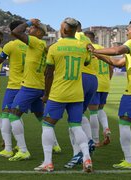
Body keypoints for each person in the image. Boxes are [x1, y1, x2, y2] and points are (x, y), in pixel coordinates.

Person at [34, 17, 92, 172]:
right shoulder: (83, 46)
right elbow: (86, 62)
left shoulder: (54, 48)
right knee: (76, 126)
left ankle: (48, 162)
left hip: (58, 94)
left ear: (64, 30)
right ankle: (86, 158)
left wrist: (46, 94)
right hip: (77, 94)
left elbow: (48, 74)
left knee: (47, 125)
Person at [4, 18, 60, 161]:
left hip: (29, 86)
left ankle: (23, 150)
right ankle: (55, 144)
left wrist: (29, 22)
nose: (29, 30)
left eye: (33, 28)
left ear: (40, 32)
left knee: (13, 115)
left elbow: (15, 31)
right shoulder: (43, 46)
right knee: (42, 118)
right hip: (39, 87)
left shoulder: (36, 42)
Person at [88, 20, 131, 169]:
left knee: (124, 122)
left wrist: (93, 50)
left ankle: (129, 160)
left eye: (128, 30)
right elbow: (117, 62)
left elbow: (116, 51)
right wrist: (97, 54)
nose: (127, 32)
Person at [0, 20, 28, 158]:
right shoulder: (31, 44)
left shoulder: (10, 45)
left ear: (12, 31)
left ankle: (11, 149)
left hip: (14, 86)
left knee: (7, 116)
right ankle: (54, 145)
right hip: (28, 86)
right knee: (39, 116)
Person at [64, 21, 97, 169]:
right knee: (80, 113)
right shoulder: (87, 40)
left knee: (73, 119)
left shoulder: (73, 37)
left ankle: (78, 152)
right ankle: (89, 141)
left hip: (79, 78)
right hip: (92, 79)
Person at [85, 31, 112, 147]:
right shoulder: (103, 49)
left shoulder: (87, 49)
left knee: (93, 112)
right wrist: (107, 79)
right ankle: (106, 128)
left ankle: (95, 140)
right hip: (105, 83)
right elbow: (111, 67)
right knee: (100, 109)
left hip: (95, 84)